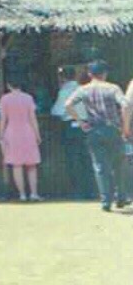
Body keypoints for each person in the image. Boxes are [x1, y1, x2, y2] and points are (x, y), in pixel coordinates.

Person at [64, 60, 130, 212]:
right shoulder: (113, 88)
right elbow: (125, 105)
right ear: (105, 73)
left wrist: (80, 122)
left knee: (100, 166)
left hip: (94, 129)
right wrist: (125, 127)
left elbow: (68, 104)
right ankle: (121, 197)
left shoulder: (83, 90)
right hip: (113, 129)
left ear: (89, 74)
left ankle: (106, 201)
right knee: (119, 164)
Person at [0, 79, 42, 202]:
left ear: (8, 85)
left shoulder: (5, 99)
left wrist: (1, 135)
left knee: (17, 165)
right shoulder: (28, 98)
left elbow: (3, 119)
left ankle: (22, 194)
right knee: (31, 165)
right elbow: (33, 118)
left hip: (11, 132)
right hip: (28, 132)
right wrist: (37, 134)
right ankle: (34, 193)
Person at [52, 66, 93, 199]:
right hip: (86, 125)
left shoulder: (65, 91)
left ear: (62, 77)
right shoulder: (83, 89)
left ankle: (78, 191)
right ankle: (91, 190)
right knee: (86, 157)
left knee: (73, 159)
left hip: (71, 126)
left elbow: (57, 111)